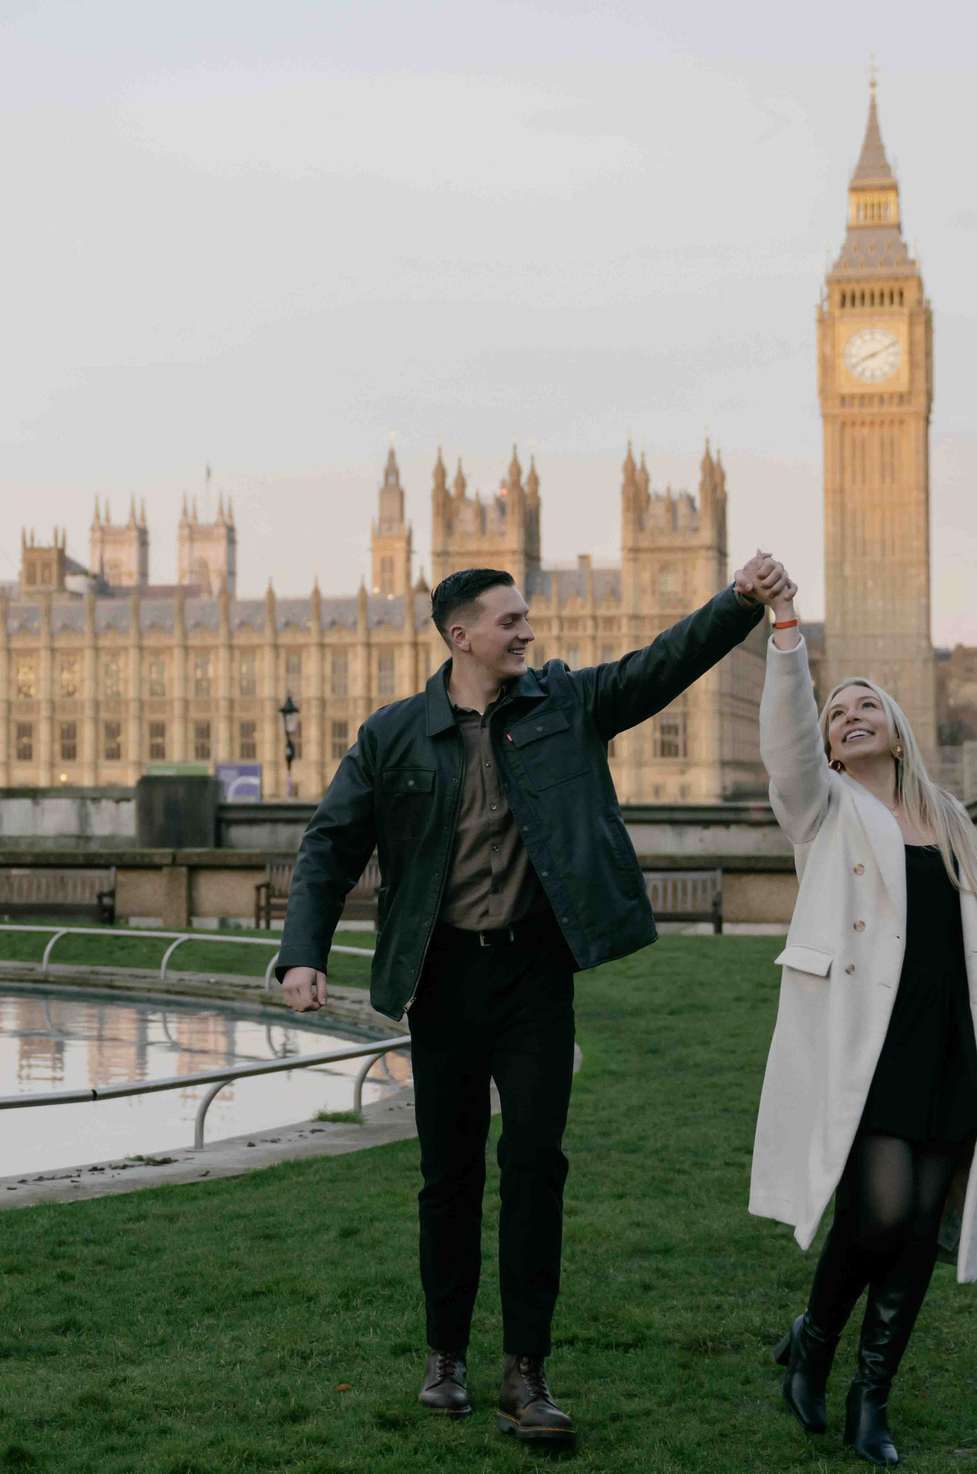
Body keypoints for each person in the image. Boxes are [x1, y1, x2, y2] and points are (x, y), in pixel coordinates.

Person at [274, 557, 773, 1444]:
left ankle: (526, 1373)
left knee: (536, 1164)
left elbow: (661, 664)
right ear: (461, 634)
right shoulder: (394, 733)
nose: (528, 632)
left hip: (534, 972)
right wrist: (301, 954)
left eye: (526, 618)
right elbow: (329, 844)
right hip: (443, 979)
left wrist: (737, 602)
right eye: (510, 621)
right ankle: (446, 1357)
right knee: (449, 1175)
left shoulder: (566, 703)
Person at [748, 558, 977, 1466]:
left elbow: (975, 949)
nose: (851, 715)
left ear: (898, 732)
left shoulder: (946, 817)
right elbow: (786, 743)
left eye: (867, 705)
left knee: (918, 1230)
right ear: (828, 748)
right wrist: (789, 632)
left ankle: (872, 1397)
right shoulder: (823, 810)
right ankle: (815, 1342)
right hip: (867, 1040)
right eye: (838, 713)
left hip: (945, 1038)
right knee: (879, 1211)